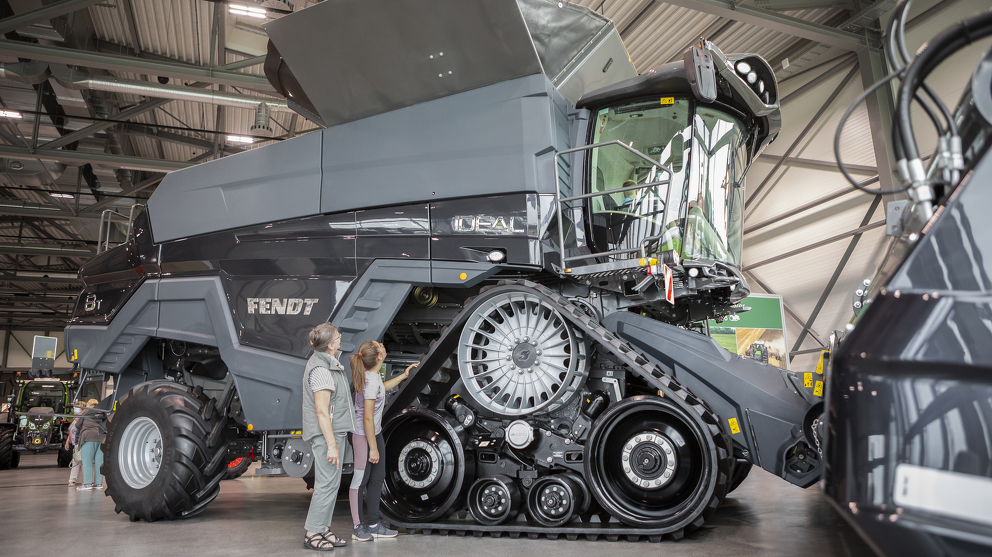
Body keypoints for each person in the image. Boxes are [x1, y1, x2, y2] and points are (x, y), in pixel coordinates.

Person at [349, 340, 416, 542]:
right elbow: (367, 418)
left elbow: (382, 388)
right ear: (379, 357)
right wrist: (373, 448)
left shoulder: (373, 376)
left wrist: (403, 376)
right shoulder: (369, 382)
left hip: (373, 433)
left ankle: (373, 524)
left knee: (377, 479)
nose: (382, 344)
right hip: (363, 436)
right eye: (379, 345)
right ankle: (357, 527)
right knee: (359, 481)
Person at [302, 323, 356, 551]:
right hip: (327, 435)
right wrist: (332, 445)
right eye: (337, 335)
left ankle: (323, 528)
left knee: (332, 485)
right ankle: (312, 532)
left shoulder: (328, 362)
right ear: (331, 344)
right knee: (325, 484)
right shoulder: (321, 370)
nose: (340, 336)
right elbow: (322, 412)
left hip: (334, 433)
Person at [76, 399, 105, 491]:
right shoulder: (103, 412)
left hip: (88, 437)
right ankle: (98, 484)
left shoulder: (85, 411)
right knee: (99, 462)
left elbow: (77, 424)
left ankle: (87, 484)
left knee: (87, 461)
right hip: (102, 438)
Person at [65, 401, 84, 486]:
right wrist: (67, 441)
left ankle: (85, 481)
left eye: (77, 407)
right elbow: (71, 430)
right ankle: (72, 480)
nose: (74, 409)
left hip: (81, 443)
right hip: (74, 443)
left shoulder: (83, 418)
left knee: (82, 461)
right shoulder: (74, 418)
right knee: (76, 460)